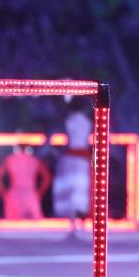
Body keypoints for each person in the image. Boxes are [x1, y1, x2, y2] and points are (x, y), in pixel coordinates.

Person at [54, 99, 93, 237]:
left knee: (71, 191)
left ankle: (73, 225)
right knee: (81, 190)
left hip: (71, 158)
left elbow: (65, 139)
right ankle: (82, 224)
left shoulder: (68, 121)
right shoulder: (87, 122)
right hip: (82, 158)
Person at [0, 144, 51, 219]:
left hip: (16, 195)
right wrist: (39, 193)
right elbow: (47, 177)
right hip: (29, 194)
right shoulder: (34, 160)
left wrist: (5, 194)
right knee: (33, 226)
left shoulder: (10, 159)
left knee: (15, 225)